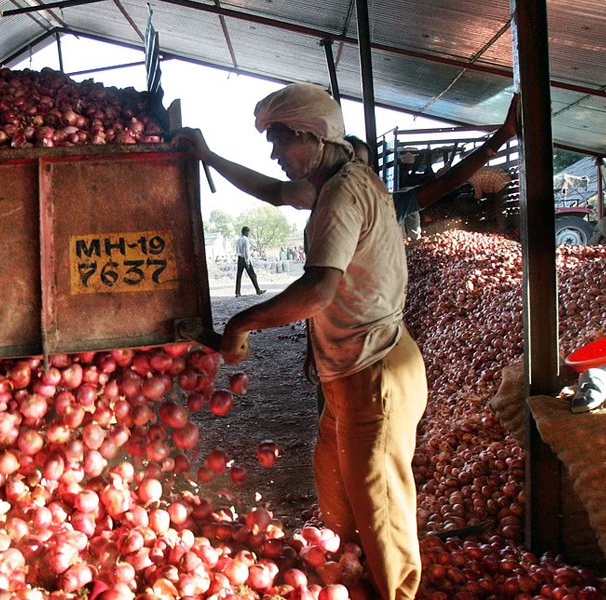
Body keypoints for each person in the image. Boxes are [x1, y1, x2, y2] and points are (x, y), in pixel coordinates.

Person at [175, 83, 427, 600]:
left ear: (311, 136)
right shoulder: (333, 178)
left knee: (380, 511)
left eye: (278, 140)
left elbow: (319, 289)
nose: (273, 153)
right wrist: (208, 155)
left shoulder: (342, 193)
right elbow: (272, 191)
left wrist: (240, 323)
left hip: (373, 373)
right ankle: (351, 581)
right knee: (339, 504)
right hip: (349, 377)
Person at [346, 95, 519, 239]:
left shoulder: (389, 205)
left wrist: (503, 135)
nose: (349, 173)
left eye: (358, 165)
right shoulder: (322, 215)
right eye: (343, 165)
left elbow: (449, 182)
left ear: (370, 171)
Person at [235, 226, 266, 297]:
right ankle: (258, 290)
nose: (248, 234)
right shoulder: (246, 239)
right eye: (248, 232)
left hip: (239, 259)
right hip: (245, 259)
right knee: (253, 274)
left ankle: (237, 292)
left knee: (239, 276)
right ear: (245, 232)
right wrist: (247, 261)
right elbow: (246, 251)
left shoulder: (237, 240)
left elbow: (237, 250)